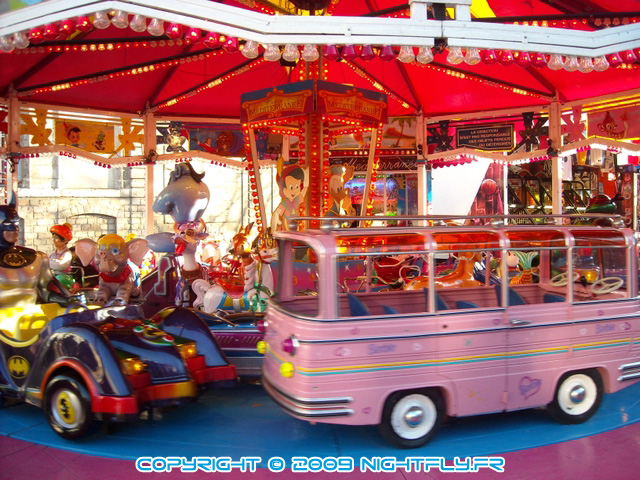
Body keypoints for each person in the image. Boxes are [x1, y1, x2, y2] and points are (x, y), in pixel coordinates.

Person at [0, 198, 74, 308]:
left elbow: (46, 292)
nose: (14, 229)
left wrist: (69, 300)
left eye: (16, 223)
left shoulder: (38, 257)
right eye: (7, 224)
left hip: (30, 316)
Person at [271, 164, 309, 232]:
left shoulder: (297, 198)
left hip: (297, 225)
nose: (294, 191)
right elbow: (276, 213)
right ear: (284, 190)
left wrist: (307, 174)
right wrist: (274, 226)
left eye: (297, 187)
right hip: (287, 227)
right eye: (291, 187)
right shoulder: (285, 203)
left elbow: (305, 189)